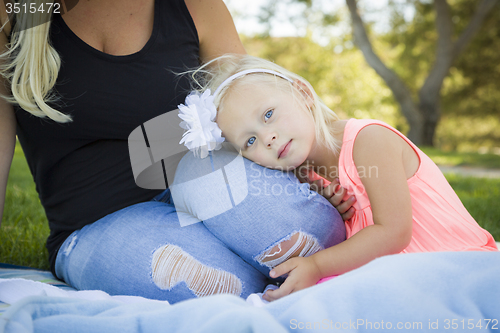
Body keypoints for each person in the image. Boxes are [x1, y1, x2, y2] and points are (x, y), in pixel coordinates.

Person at [0, 0, 347, 303]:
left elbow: (255, 106)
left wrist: (308, 174)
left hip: (199, 177)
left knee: (312, 231)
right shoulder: (15, 13)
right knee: (222, 288)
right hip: (98, 221)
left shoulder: (195, 5)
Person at [180, 53, 498, 301]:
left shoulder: (369, 141)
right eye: (249, 141)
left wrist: (317, 265)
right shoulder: (305, 176)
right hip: (393, 271)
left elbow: (394, 232)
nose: (268, 138)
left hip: (452, 262)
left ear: (302, 93)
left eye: (268, 115)